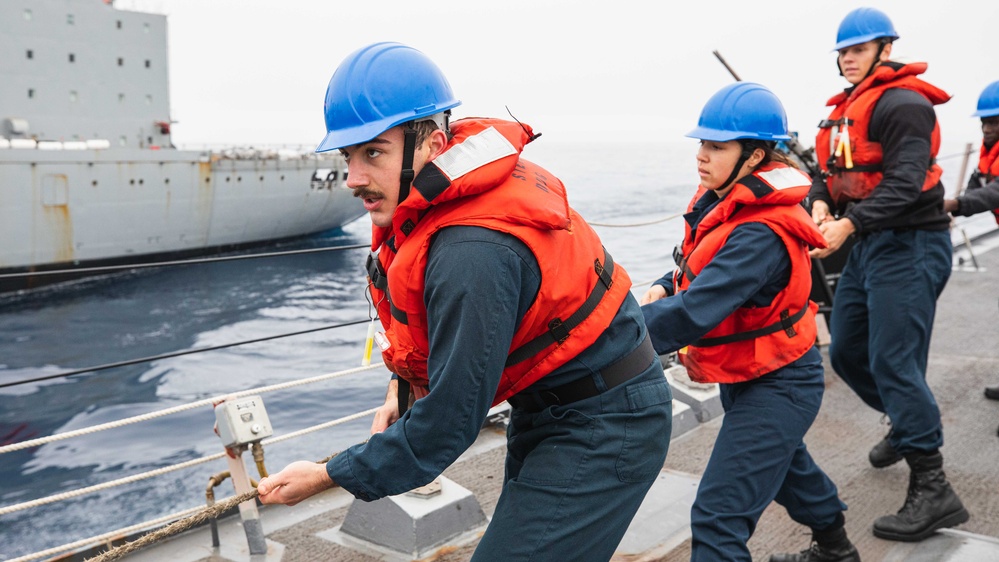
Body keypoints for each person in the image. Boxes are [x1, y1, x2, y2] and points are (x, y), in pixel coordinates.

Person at [255, 42, 672, 561]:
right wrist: (401, 384)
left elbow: (449, 423)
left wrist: (326, 475)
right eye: (349, 156)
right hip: (553, 406)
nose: (354, 179)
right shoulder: (436, 204)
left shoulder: (471, 250)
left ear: (431, 145)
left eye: (373, 153)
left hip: (608, 420)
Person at [641, 82, 858, 562]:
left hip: (781, 380)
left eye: (717, 146)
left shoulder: (760, 232)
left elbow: (696, 312)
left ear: (755, 158)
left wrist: (609, 331)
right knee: (787, 467)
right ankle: (837, 550)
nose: (702, 155)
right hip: (748, 370)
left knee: (718, 518)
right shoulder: (722, 198)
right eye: (701, 143)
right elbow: (699, 269)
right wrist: (665, 282)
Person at [808, 7, 969, 542]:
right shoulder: (847, 111)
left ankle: (933, 487)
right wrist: (818, 205)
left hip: (912, 243)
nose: (848, 58)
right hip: (870, 245)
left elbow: (905, 182)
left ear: (885, 49)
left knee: (893, 361)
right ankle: (908, 423)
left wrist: (849, 224)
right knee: (848, 351)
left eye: (859, 49)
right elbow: (829, 177)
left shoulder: (904, 104)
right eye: (843, 51)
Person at [943, 79, 999, 424]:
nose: (988, 128)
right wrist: (949, 205)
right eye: (985, 122)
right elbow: (980, 183)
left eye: (995, 122)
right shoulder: (988, 149)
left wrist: (958, 203)